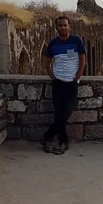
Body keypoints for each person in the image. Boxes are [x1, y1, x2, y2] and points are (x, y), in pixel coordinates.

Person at [41, 15, 86, 154]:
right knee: (59, 112)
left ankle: (48, 136)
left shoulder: (76, 40)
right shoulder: (53, 43)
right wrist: (53, 78)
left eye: (65, 25)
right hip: (58, 82)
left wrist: (78, 77)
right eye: (60, 25)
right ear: (56, 28)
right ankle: (63, 141)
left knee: (67, 111)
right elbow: (46, 64)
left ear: (69, 26)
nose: (63, 27)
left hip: (71, 82)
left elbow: (82, 60)